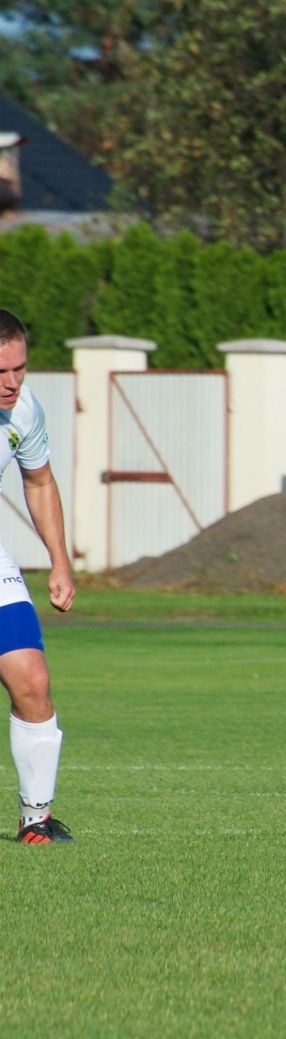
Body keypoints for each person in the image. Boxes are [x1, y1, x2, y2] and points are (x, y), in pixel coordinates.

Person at [0, 309, 77, 844]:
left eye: (19, 370)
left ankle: (37, 821)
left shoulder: (23, 409)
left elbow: (40, 481)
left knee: (32, 677)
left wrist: (60, 559)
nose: (11, 384)